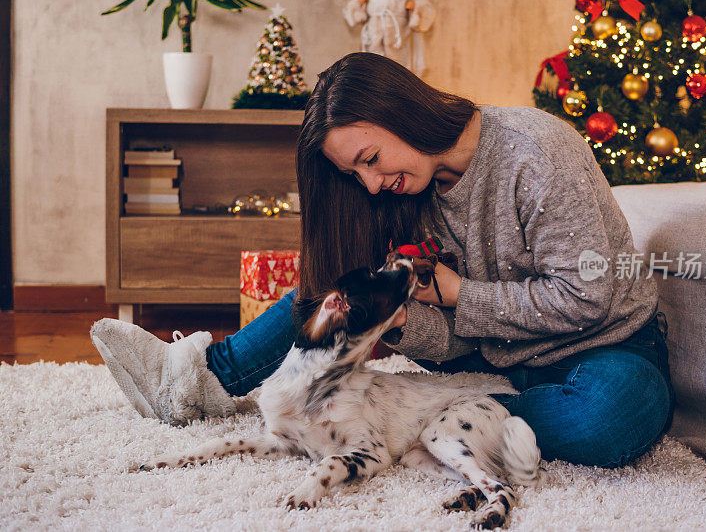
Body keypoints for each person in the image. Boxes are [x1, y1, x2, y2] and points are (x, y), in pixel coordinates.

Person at [91, 51, 674, 468]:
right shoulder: (408, 193)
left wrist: (454, 294)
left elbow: (586, 296)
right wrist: (401, 321)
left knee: (612, 417)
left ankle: (449, 417)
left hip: (601, 350)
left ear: (402, 110)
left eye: (370, 157)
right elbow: (450, 339)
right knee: (338, 287)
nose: (371, 184)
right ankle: (195, 380)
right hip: (487, 355)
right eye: (355, 173)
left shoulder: (537, 153)